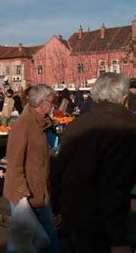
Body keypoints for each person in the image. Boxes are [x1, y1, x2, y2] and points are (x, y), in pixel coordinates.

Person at [51, 73, 136, 253]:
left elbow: (58, 171)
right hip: (101, 225)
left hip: (73, 216)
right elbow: (115, 186)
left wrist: (56, 209)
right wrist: (119, 239)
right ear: (123, 97)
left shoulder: (76, 125)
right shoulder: (125, 127)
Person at [3, 84, 59, 252]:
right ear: (41, 103)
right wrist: (22, 192)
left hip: (40, 189)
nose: (53, 105)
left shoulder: (41, 123)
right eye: (51, 102)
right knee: (25, 242)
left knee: (37, 240)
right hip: (27, 193)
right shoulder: (24, 124)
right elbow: (14, 162)